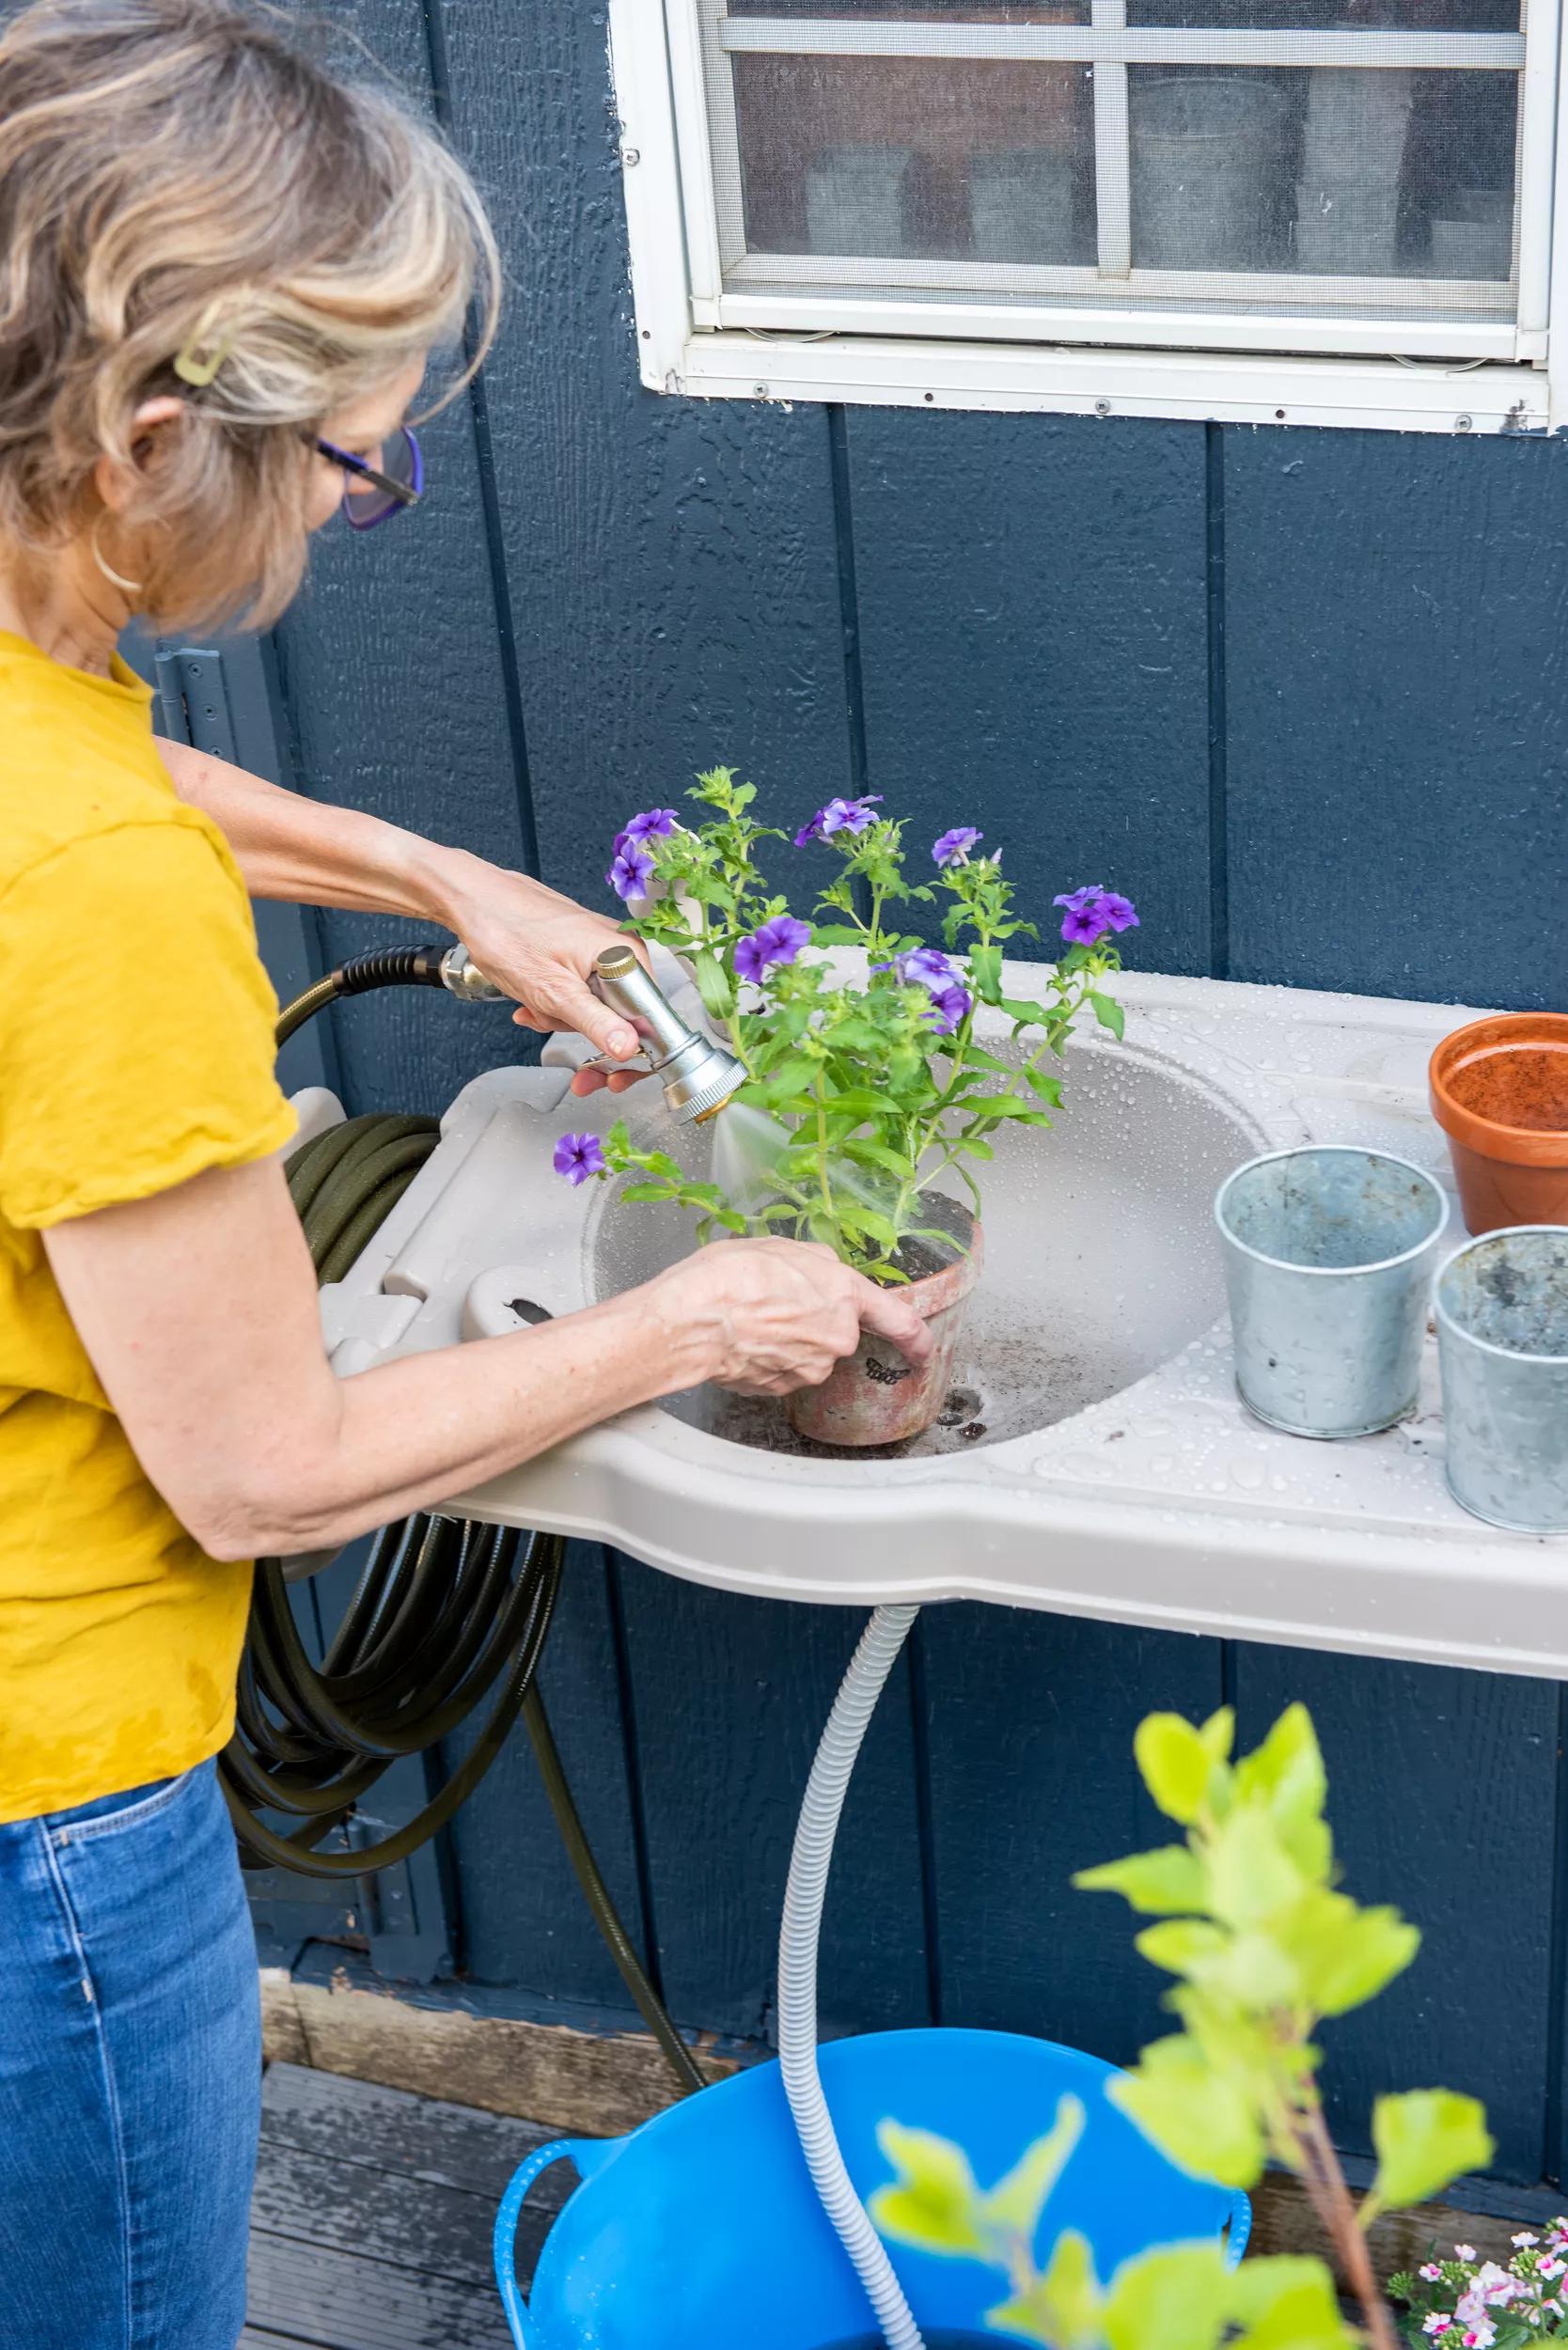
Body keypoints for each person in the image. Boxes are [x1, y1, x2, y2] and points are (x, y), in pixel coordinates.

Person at [0, 6, 932, 2343]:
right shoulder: (91, 896)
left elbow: (103, 780)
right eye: (351, 467)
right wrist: (706, 1313)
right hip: (50, 1813)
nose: (345, 508)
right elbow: (270, 1472)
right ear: (141, 435)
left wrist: (435, 875)